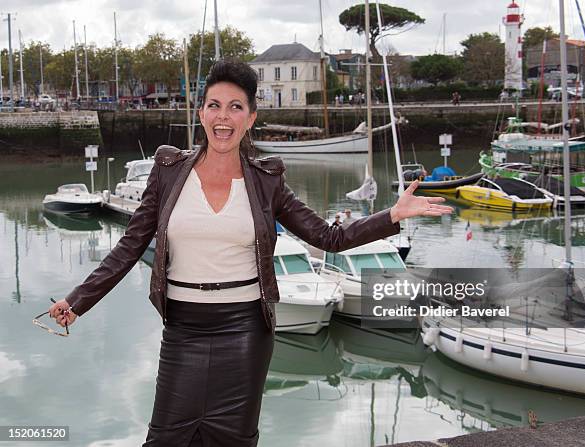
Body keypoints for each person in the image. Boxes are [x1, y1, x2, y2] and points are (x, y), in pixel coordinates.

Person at [47, 60, 453, 447]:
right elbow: (129, 246)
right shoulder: (168, 171)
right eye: (214, 106)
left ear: (250, 117)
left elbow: (329, 237)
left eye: (235, 107)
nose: (223, 117)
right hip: (183, 328)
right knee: (167, 437)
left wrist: (392, 215)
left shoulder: (266, 180)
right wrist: (79, 300)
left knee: (232, 438)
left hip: (245, 329)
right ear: (201, 113)